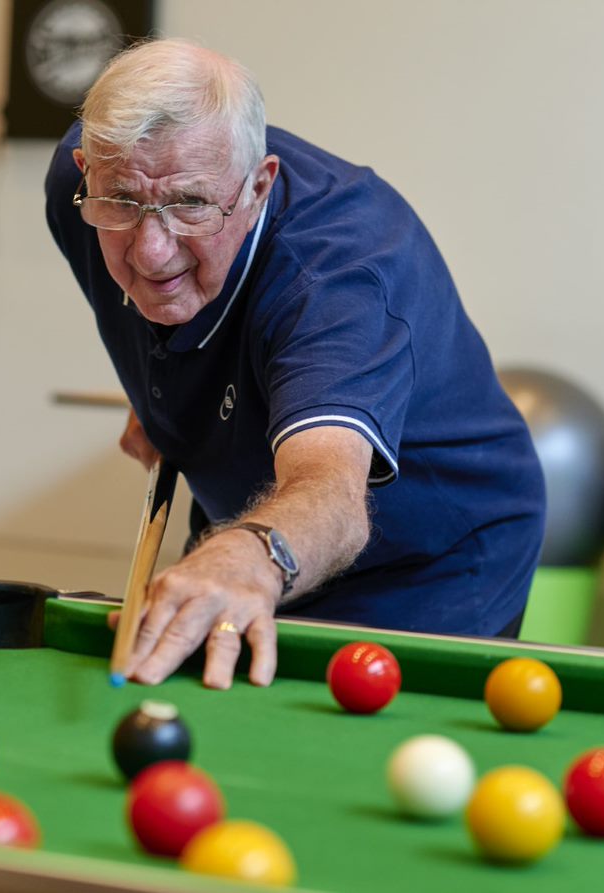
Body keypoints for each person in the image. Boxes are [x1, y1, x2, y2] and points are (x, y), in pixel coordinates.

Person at [44, 39, 545, 690]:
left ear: (258, 187)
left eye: (191, 204)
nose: (152, 247)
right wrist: (166, 396)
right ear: (88, 170)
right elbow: (157, 303)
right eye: (121, 203)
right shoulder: (77, 190)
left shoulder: (338, 278)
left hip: (429, 559)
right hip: (254, 520)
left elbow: (332, 488)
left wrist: (253, 555)